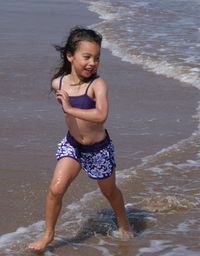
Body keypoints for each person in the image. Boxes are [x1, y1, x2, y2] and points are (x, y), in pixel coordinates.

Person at [28, 26, 133, 252]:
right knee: (56, 189)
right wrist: (67, 107)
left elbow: (101, 115)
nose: (92, 63)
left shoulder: (97, 84)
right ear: (70, 56)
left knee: (109, 192)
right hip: (73, 145)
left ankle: (123, 222)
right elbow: (67, 112)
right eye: (87, 57)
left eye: (97, 58)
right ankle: (48, 235)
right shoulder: (58, 83)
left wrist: (69, 108)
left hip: (99, 150)